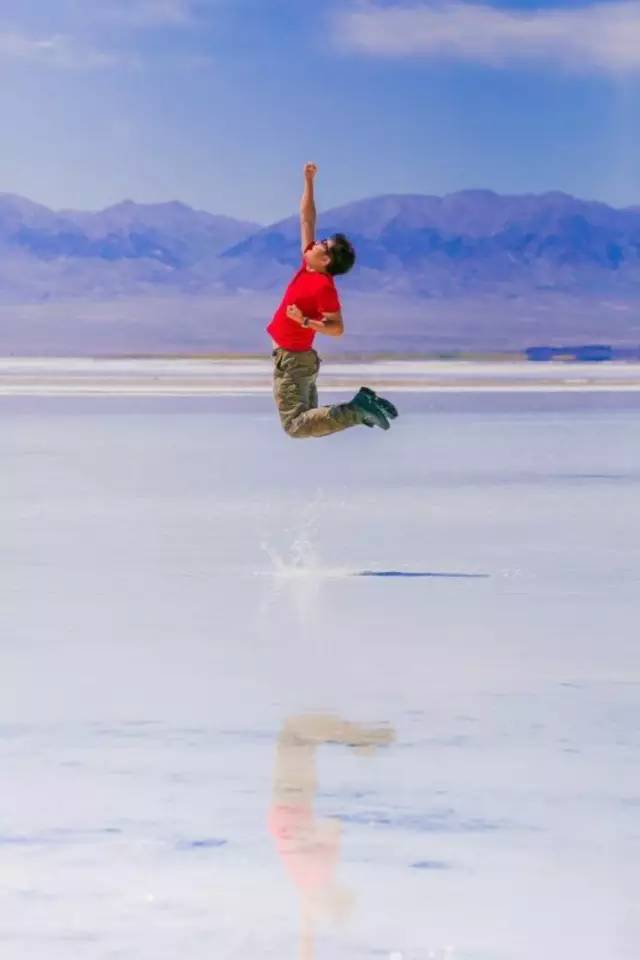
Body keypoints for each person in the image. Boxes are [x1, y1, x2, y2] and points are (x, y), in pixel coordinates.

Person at [267, 162, 398, 439]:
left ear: (326, 260)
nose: (314, 244)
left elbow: (337, 328)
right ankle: (364, 403)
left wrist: (303, 320)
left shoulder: (323, 286)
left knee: (295, 426)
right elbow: (306, 218)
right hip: (297, 359)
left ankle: (358, 409)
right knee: (312, 422)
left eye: (321, 245)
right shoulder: (308, 265)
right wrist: (309, 182)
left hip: (293, 360)